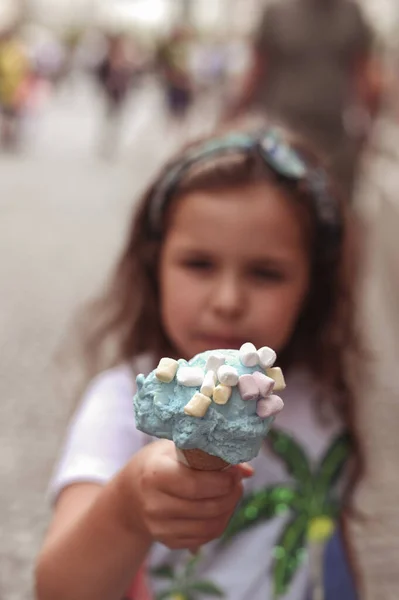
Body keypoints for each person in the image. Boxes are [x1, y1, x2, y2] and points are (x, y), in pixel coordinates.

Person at [35, 121, 363, 600]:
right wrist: (128, 506)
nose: (228, 300)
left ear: (313, 285)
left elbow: (329, 532)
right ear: (155, 265)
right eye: (199, 264)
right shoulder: (121, 404)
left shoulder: (322, 394)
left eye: (266, 273)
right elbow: (59, 589)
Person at [228, 0, 383, 199]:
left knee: (334, 210)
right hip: (282, 136)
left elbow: (364, 76)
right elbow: (256, 72)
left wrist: (368, 128)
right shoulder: (276, 13)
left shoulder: (351, 14)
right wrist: (232, 120)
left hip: (334, 138)